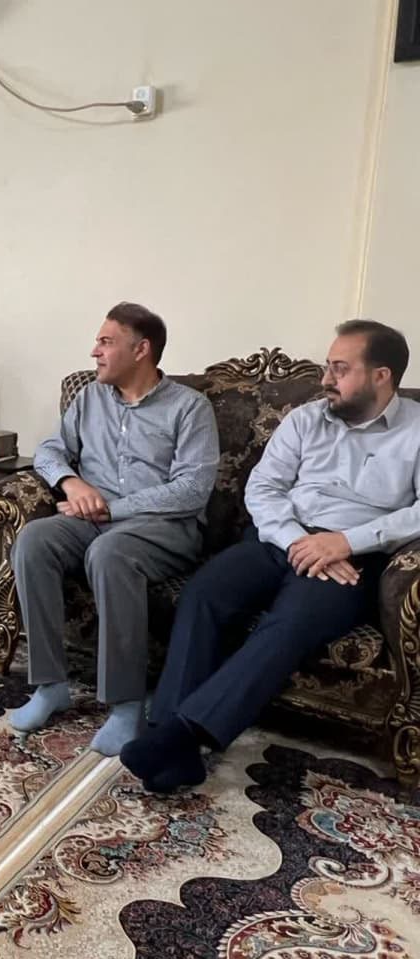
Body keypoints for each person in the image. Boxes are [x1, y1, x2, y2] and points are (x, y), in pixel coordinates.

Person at [122, 320, 419, 791]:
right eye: (327, 366)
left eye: (340, 369)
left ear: (381, 375)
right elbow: (263, 488)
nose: (326, 378)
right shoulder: (306, 419)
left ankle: (181, 734)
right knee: (205, 592)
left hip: (351, 559)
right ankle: (172, 744)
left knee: (292, 621)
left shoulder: (416, 430)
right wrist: (297, 539)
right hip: (281, 539)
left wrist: (347, 541)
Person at [8, 302, 220, 755]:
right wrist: (71, 482)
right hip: (93, 518)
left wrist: (112, 509)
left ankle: (126, 705)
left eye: (106, 342)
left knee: (110, 553)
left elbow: (192, 490)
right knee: (33, 541)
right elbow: (49, 450)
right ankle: (50, 685)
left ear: (141, 349)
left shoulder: (189, 407)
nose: (95, 352)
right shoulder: (89, 398)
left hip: (163, 527)